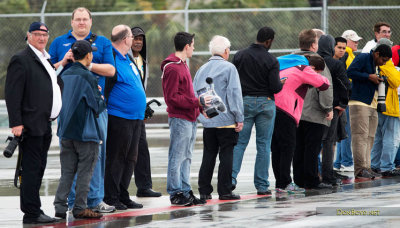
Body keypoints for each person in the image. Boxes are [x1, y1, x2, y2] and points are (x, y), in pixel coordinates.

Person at [49, 7, 116, 213]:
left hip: (86, 113)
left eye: (84, 19)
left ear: (91, 21)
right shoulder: (59, 42)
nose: (81, 23)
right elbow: (49, 71)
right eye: (77, 19)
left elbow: (111, 70)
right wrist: (65, 61)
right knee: (82, 159)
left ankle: (91, 200)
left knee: (86, 159)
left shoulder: (103, 42)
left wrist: (88, 64)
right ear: (71, 22)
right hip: (71, 111)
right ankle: (76, 203)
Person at [5, 22, 62, 224]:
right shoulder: (21, 59)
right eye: (37, 34)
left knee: (39, 168)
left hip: (44, 124)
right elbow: (12, 93)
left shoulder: (45, 59)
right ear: (29, 36)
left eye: (44, 34)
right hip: (29, 124)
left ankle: (35, 208)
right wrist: (16, 122)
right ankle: (31, 212)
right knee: (30, 169)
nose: (41, 38)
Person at [54, 40, 105, 219]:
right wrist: (100, 94)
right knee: (85, 171)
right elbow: (97, 106)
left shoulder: (64, 75)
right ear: (89, 55)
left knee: (67, 171)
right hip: (85, 132)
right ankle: (80, 207)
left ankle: (59, 206)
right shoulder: (88, 76)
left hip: (65, 132)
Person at [231, 27, 283, 195]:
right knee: (263, 145)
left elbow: (234, 79)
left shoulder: (240, 55)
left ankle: (230, 180)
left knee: (239, 143)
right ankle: (261, 185)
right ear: (269, 41)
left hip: (244, 102)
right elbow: (275, 88)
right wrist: (282, 82)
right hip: (265, 103)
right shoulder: (271, 60)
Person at [193, 35, 244, 201]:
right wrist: (239, 117)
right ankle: (225, 190)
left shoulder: (201, 69)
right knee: (226, 155)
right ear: (226, 51)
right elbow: (234, 94)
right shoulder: (229, 68)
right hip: (226, 120)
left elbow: (195, 93)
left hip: (208, 120)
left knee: (208, 154)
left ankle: (204, 190)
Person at [161, 32, 209, 206]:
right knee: (177, 156)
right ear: (187, 46)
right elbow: (171, 98)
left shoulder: (183, 65)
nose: (194, 48)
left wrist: (200, 106)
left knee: (186, 157)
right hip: (180, 119)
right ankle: (175, 192)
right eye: (193, 45)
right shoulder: (172, 67)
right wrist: (196, 102)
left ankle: (185, 190)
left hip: (190, 117)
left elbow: (186, 94)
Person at [272, 53, 330, 193]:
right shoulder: (304, 68)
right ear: (312, 67)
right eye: (317, 71)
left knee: (276, 148)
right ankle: (285, 183)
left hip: (272, 107)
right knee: (288, 147)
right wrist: (315, 74)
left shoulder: (286, 66)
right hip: (287, 110)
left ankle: (280, 183)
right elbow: (324, 84)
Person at [103, 25, 146, 210]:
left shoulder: (127, 58)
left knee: (131, 158)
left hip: (136, 118)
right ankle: (111, 197)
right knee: (117, 157)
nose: (134, 40)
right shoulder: (110, 56)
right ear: (125, 39)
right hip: (119, 117)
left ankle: (122, 193)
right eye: (131, 36)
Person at [292, 29, 334, 190]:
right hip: (314, 112)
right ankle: (311, 180)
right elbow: (325, 86)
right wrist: (328, 108)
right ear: (313, 44)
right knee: (312, 148)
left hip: (294, 111)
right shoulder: (317, 61)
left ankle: (298, 180)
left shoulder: (291, 60)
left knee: (298, 148)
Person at [347, 42, 392, 179]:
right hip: (359, 102)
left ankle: (367, 166)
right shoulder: (364, 57)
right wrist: (368, 77)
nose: (383, 63)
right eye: (383, 60)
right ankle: (360, 169)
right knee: (360, 136)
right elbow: (350, 71)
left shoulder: (377, 66)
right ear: (377, 54)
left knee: (370, 137)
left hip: (372, 104)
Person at [127, 26, 161, 198]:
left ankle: (144, 186)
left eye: (141, 39)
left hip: (138, 112)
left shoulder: (142, 60)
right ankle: (117, 191)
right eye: (135, 38)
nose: (138, 42)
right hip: (123, 113)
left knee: (142, 149)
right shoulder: (123, 59)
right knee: (124, 152)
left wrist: (144, 104)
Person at [318, 35, 351, 186]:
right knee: (328, 142)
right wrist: (343, 104)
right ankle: (327, 175)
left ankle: (313, 173)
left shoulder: (313, 62)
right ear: (331, 47)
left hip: (313, 109)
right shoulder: (335, 63)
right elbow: (346, 85)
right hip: (332, 107)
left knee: (313, 142)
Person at [370, 39, 400, 177]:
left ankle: (375, 165)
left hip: (377, 105)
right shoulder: (387, 64)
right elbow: (395, 81)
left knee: (378, 137)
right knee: (390, 137)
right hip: (389, 106)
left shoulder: (373, 63)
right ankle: (386, 166)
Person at [334, 30, 363, 173]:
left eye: (357, 40)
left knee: (344, 130)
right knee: (346, 131)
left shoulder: (349, 54)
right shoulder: (346, 55)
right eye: (354, 40)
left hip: (345, 97)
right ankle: (346, 161)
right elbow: (344, 77)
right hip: (345, 98)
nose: (357, 42)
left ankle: (339, 161)